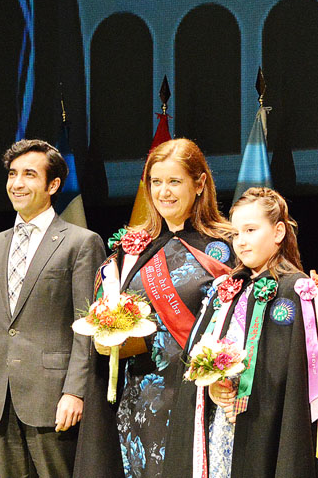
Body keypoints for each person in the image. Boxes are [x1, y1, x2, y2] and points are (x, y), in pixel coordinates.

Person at [74, 138, 235, 478]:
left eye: (174, 181)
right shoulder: (131, 249)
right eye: (156, 182)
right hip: (139, 396)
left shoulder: (228, 247)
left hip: (197, 395)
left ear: (200, 183)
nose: (164, 192)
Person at [0, 139, 105, 477]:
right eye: (12, 174)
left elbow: (87, 326)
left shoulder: (80, 242)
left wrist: (74, 391)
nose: (17, 183)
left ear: (52, 185)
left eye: (29, 174)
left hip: (53, 398)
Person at [166, 187, 318, 477]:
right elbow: (198, 356)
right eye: (235, 234)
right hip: (221, 425)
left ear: (279, 231)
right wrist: (213, 385)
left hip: (268, 429)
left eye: (251, 230)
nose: (241, 242)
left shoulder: (298, 292)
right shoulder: (227, 290)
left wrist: (249, 396)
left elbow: (295, 378)